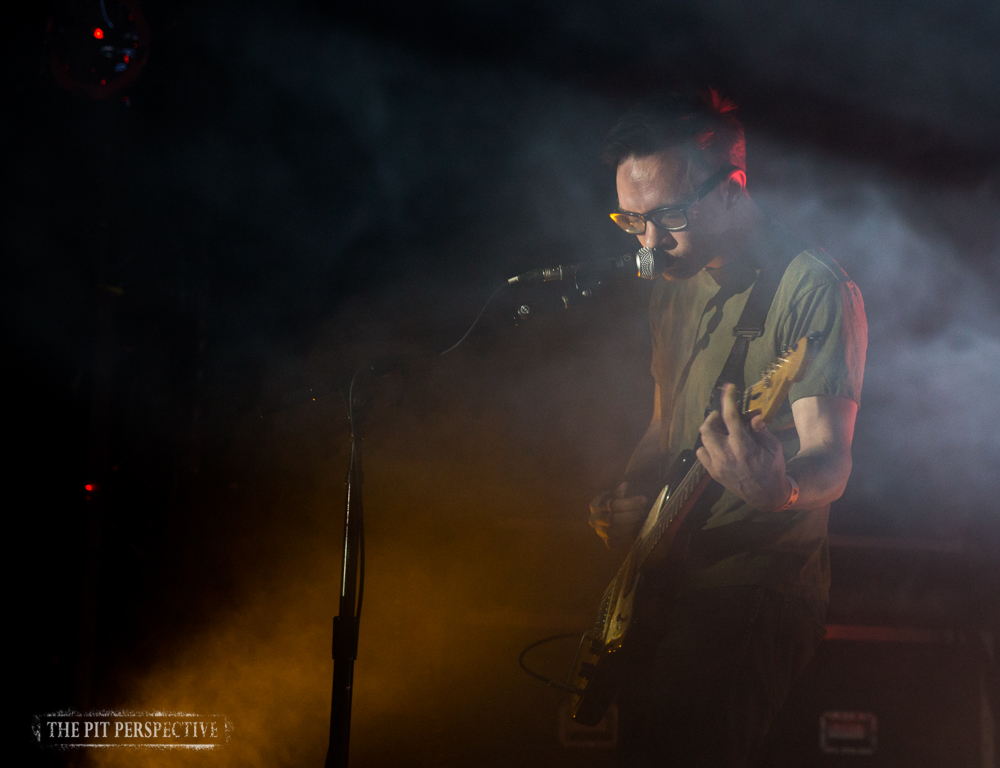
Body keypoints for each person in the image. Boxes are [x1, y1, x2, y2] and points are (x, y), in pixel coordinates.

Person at [587, 90, 867, 767]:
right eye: (631, 221)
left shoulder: (812, 285)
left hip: (754, 583)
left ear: (733, 190)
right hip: (669, 578)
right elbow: (664, 428)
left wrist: (782, 491)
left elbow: (831, 458)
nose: (649, 243)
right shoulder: (673, 284)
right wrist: (627, 495)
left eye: (668, 217)